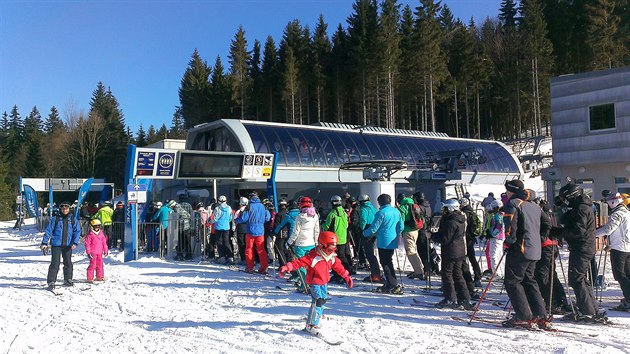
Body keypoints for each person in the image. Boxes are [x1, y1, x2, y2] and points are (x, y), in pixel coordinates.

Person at [551, 183, 606, 323]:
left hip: (582, 247)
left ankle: (587, 311)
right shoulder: (581, 205)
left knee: (576, 278)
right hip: (584, 246)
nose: (563, 200)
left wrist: (558, 232)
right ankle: (590, 309)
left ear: (570, 195)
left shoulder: (580, 208)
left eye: (564, 198)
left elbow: (577, 231)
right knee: (581, 278)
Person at [279, 231, 353, 335]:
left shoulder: (331, 257)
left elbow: (339, 267)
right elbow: (299, 262)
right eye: (330, 248)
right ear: (322, 245)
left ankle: (316, 315)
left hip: (324, 282)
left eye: (334, 248)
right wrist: (287, 267)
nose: (332, 250)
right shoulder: (313, 256)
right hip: (314, 282)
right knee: (319, 300)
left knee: (323, 300)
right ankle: (311, 324)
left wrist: (346, 276)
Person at [502, 180, 552, 329]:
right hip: (534, 250)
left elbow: (511, 226)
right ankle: (540, 315)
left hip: (520, 249)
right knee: (529, 280)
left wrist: (508, 242)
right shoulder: (534, 205)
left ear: (511, 191)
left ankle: (523, 316)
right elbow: (547, 224)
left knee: (513, 281)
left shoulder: (514, 204)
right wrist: (540, 238)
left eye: (507, 191)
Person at [430, 199, 474, 310]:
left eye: (444, 208)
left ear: (450, 208)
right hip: (459, 251)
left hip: (451, 252)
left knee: (447, 275)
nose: (443, 211)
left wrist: (431, 236)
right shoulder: (459, 218)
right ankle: (465, 298)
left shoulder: (451, 221)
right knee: (458, 275)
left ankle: (450, 298)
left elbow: (445, 239)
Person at [595, 193, 630, 311]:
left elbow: (608, 229)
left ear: (613, 202)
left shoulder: (617, 214)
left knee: (620, 274)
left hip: (620, 248)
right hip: (627, 247)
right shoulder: (626, 212)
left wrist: (592, 234)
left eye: (609, 202)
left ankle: (629, 300)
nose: (608, 205)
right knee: (627, 274)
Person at [362, 194, 404, 294]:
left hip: (384, 240)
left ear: (380, 202)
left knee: (385, 262)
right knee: (389, 261)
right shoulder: (396, 211)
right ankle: (391, 282)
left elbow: (374, 228)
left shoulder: (381, 213)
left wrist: (364, 233)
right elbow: (401, 226)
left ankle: (392, 284)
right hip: (393, 240)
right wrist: (397, 233)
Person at [41, 201, 82, 289]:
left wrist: (75, 242)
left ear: (69, 209)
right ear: (61, 209)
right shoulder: (55, 219)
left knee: (68, 263)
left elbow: (77, 231)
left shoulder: (72, 219)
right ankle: (51, 281)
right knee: (55, 263)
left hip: (68, 244)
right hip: (56, 244)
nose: (64, 210)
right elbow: (49, 230)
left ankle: (68, 279)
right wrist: (44, 242)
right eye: (63, 208)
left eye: (66, 208)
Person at [285, 197, 319, 292]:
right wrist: (316, 242)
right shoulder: (315, 216)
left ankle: (304, 285)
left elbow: (295, 232)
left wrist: (289, 242)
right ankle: (312, 283)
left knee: (300, 265)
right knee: (310, 264)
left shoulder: (299, 216)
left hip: (300, 244)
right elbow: (317, 231)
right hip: (311, 244)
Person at [235, 192, 271, 274]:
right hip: (260, 230)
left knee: (249, 249)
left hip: (250, 230)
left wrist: (236, 220)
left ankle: (250, 267)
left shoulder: (249, 206)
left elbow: (244, 218)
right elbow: (268, 217)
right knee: (261, 250)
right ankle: (264, 268)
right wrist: (261, 222)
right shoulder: (263, 206)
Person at [322, 195, 351, 282]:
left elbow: (327, 226)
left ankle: (338, 275)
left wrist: (322, 224)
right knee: (342, 255)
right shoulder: (344, 213)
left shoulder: (332, 214)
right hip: (343, 238)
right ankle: (346, 271)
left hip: (334, 238)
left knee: (334, 257)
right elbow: (346, 225)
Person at [398, 195, 425, 279]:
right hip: (416, 230)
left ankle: (419, 272)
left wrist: (399, 231)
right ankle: (419, 269)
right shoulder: (414, 205)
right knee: (413, 250)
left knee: (410, 252)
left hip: (408, 231)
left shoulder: (402, 207)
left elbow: (401, 222)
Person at [414, 192, 440, 275]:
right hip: (428, 230)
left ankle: (427, 269)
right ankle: (433, 267)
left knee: (422, 251)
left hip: (422, 230)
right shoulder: (427, 206)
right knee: (428, 250)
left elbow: (416, 218)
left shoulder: (419, 207)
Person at [358, 194, 381, 282]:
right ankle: (375, 272)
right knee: (371, 251)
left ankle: (375, 274)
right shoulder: (373, 208)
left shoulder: (363, 209)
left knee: (369, 253)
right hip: (374, 230)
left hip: (367, 230)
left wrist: (362, 229)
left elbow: (363, 220)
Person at [460, 198, 482, 287]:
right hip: (471, 238)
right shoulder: (472, 212)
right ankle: (478, 276)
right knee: (472, 258)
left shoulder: (464, 214)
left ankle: (466, 277)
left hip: (466, 238)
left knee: (463, 258)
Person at [483, 200, 505, 278]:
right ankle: (501, 272)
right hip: (499, 237)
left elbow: (498, 227)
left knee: (493, 255)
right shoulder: (500, 214)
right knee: (498, 255)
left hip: (496, 237)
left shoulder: (498, 215)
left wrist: (491, 234)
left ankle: (496, 273)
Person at [212, 196, 234, 264]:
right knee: (226, 242)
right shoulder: (229, 208)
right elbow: (231, 218)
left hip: (218, 227)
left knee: (220, 242)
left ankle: (222, 257)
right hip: (226, 227)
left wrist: (210, 221)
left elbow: (215, 219)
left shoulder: (217, 208)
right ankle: (230, 257)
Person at [233, 197, 249, 263]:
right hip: (248, 229)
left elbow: (234, 220)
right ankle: (249, 258)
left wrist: (233, 227)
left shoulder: (239, 211)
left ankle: (243, 258)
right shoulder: (249, 210)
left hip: (240, 229)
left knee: (241, 244)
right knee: (247, 244)